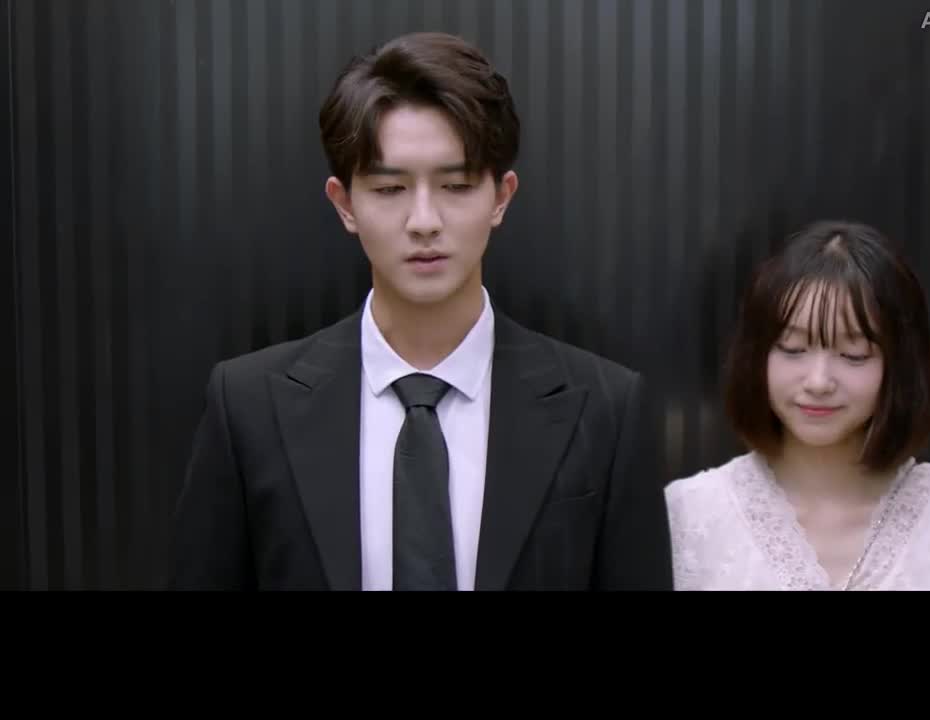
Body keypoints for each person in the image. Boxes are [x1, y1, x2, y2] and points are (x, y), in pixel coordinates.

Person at [169, 32, 672, 591]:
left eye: (456, 185)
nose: (424, 221)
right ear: (345, 203)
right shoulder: (249, 407)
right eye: (390, 189)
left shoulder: (604, 410)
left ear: (501, 197)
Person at [664, 220, 930, 590]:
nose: (819, 382)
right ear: (756, 356)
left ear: (900, 366)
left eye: (853, 354)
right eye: (793, 349)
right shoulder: (690, 517)